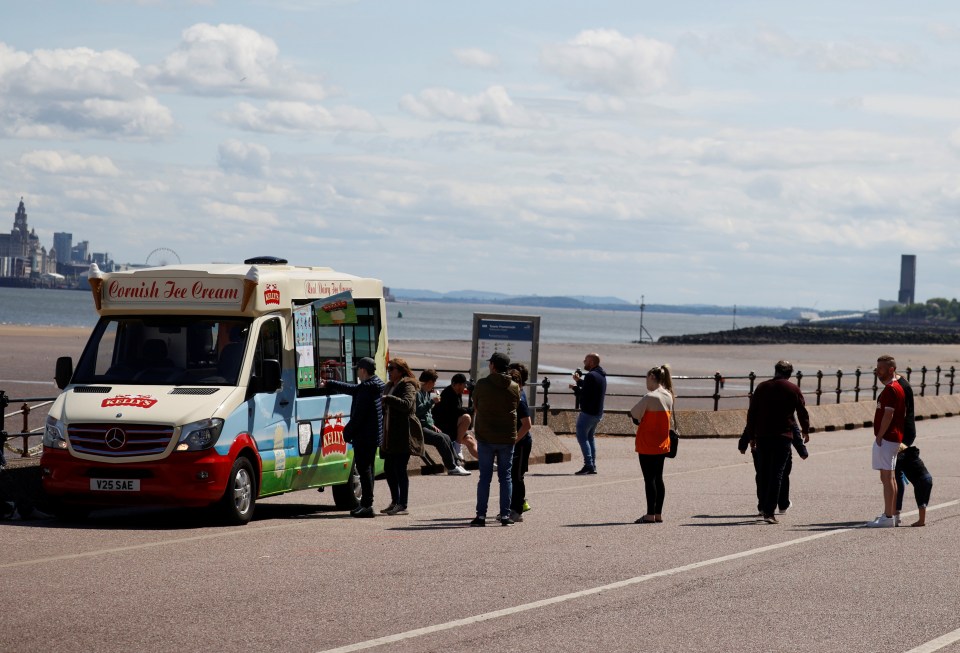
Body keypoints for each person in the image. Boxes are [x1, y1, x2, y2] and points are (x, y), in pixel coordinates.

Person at [739, 360, 810, 525]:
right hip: (783, 436)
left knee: (763, 473)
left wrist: (750, 437)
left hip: (763, 436)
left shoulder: (762, 387)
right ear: (789, 373)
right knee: (777, 474)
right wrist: (805, 430)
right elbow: (801, 411)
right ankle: (769, 512)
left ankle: (763, 507)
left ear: (776, 371)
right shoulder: (793, 389)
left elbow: (752, 414)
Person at [321, 357, 384, 518]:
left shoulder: (366, 390)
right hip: (373, 435)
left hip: (364, 437)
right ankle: (366, 504)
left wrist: (346, 433)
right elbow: (352, 389)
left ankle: (367, 506)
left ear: (363, 370)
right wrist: (330, 383)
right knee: (367, 469)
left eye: (358, 369)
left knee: (364, 471)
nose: (357, 372)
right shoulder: (373, 386)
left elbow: (358, 417)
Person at [470, 352, 520, 527]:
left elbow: (475, 405)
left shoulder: (483, 384)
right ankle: (505, 516)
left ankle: (481, 516)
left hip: (486, 436)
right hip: (507, 437)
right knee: (505, 477)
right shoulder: (514, 386)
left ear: (492, 366)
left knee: (485, 477)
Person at [630, 364, 675, 524]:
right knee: (659, 478)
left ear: (652, 378)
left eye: (646, 378)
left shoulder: (650, 396)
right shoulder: (668, 395)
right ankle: (658, 513)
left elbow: (634, 414)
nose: (646, 382)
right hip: (662, 442)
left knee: (649, 479)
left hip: (647, 442)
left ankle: (649, 514)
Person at [380, 358, 425, 516]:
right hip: (389, 433)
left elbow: (407, 404)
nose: (389, 371)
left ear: (400, 370)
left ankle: (402, 503)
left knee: (399, 469)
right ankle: (394, 501)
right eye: (388, 369)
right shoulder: (389, 386)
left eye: (391, 369)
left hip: (403, 433)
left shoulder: (408, 384)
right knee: (388, 468)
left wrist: (388, 399)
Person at [866, 355, 905, 528]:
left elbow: (888, 415)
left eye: (880, 369)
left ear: (891, 369)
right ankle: (891, 514)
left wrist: (880, 435)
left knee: (886, 477)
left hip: (888, 437)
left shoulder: (891, 389)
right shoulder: (897, 387)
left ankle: (888, 516)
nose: (877, 372)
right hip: (894, 437)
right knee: (891, 478)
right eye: (877, 368)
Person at [739, 417, 808, 516]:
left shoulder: (759, 401)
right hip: (781, 441)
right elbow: (792, 424)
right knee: (781, 474)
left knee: (762, 475)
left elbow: (752, 420)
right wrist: (801, 449)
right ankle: (782, 504)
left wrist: (743, 442)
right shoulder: (785, 401)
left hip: (761, 441)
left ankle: (763, 506)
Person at [892, 373, 932, 527]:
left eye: (881, 369)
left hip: (903, 433)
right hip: (906, 432)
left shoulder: (899, 386)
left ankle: (895, 513)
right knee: (897, 472)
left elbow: (900, 413)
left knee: (896, 473)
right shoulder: (902, 383)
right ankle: (896, 511)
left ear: (891, 370)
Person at [416, 369, 470, 476]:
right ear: (430, 382)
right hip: (418, 427)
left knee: (446, 437)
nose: (434, 385)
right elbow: (418, 411)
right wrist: (432, 401)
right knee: (440, 439)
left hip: (427, 425)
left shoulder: (426, 393)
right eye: (434, 382)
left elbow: (428, 414)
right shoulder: (417, 393)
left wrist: (432, 424)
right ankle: (451, 467)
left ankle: (456, 464)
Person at [570, 352, 607, 475]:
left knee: (582, 437)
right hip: (597, 412)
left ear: (591, 362)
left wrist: (575, 388)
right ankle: (592, 465)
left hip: (588, 413)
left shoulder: (591, 376)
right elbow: (590, 388)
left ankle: (588, 465)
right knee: (590, 438)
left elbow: (585, 394)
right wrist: (579, 381)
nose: (584, 362)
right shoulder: (600, 374)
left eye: (585, 360)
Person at [432, 372, 479, 462]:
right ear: (457, 385)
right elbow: (456, 411)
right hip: (444, 427)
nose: (465, 387)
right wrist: (472, 410)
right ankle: (457, 445)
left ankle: (488, 463)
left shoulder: (457, 392)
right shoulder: (448, 394)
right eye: (463, 385)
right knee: (466, 418)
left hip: (452, 424)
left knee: (470, 441)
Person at [508, 364, 533, 523]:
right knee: (512, 476)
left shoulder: (520, 398)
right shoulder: (516, 395)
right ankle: (515, 506)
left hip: (522, 442)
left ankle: (517, 509)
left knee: (517, 476)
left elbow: (527, 424)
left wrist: (514, 440)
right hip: (517, 441)